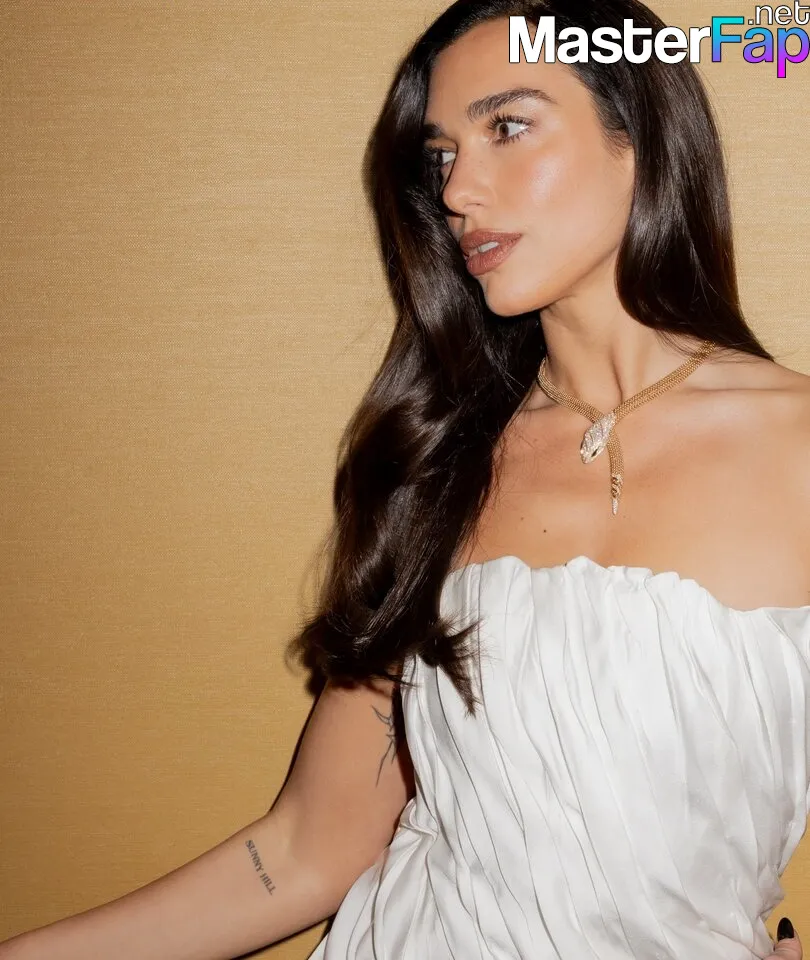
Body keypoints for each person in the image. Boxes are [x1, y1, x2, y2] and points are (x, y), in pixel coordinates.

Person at [1, 0, 808, 957]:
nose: (458, 188)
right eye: (440, 155)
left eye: (508, 127)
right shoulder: (437, 463)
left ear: (637, 136)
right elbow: (304, 852)